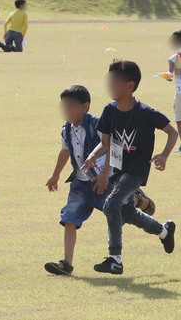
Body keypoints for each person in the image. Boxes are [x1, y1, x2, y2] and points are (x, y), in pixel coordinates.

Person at [44, 85, 157, 276]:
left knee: (126, 215)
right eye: (64, 106)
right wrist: (55, 175)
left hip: (106, 181)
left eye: (71, 106)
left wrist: (106, 175)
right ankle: (66, 264)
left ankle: (139, 202)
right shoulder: (66, 130)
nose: (67, 110)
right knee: (69, 219)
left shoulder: (99, 125)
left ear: (85, 106)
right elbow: (65, 151)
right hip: (80, 183)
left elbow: (115, 149)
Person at [83, 60, 179, 275]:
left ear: (129, 85)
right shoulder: (109, 111)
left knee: (111, 205)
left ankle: (115, 259)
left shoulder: (145, 112)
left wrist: (164, 155)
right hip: (118, 170)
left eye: (115, 82)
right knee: (128, 213)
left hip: (134, 172)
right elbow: (105, 143)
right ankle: (163, 231)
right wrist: (92, 156)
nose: (110, 86)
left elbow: (173, 132)